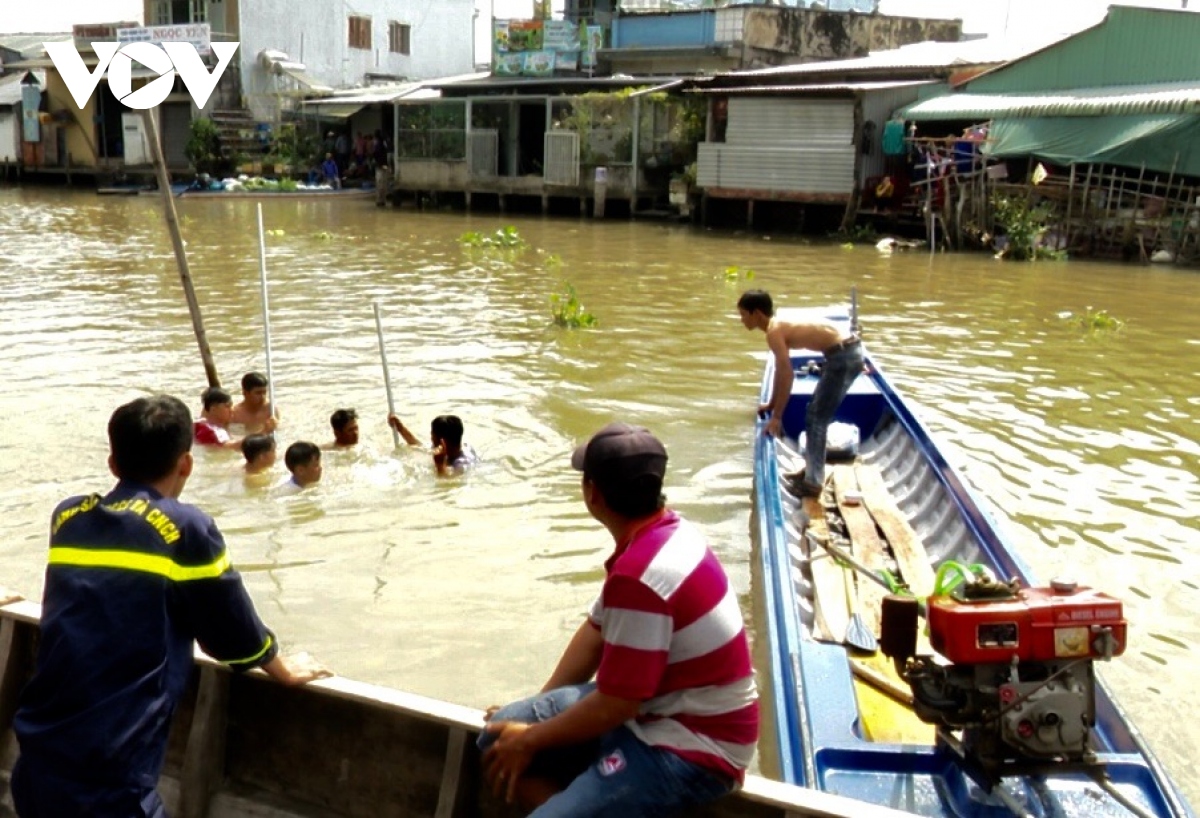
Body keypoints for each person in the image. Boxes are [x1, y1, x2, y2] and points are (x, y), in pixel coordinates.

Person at [10, 395, 330, 817]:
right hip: (110, 770)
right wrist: (275, 662)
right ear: (186, 464)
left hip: (38, 753)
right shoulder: (186, 527)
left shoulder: (68, 518)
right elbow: (229, 630)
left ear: (112, 463)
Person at [479, 422, 759, 817]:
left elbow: (618, 704)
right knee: (497, 737)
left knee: (518, 745)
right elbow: (595, 633)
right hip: (653, 709)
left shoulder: (642, 576)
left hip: (692, 745)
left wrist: (533, 740)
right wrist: (536, 710)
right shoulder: (662, 535)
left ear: (592, 494)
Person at [737, 289, 863, 498]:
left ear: (756, 313)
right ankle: (812, 471)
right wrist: (772, 404)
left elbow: (787, 374)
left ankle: (813, 483)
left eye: (743, 314)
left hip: (843, 355)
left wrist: (777, 417)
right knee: (816, 414)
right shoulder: (777, 327)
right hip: (845, 351)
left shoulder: (773, 332)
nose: (741, 320)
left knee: (816, 417)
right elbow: (780, 370)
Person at [387, 412, 478, 475]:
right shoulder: (452, 448)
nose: (431, 438)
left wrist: (439, 466)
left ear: (442, 442)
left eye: (432, 436)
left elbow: (447, 483)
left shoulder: (463, 464)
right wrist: (400, 428)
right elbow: (418, 446)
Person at [195, 386, 271, 450]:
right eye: (227, 406)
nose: (232, 409)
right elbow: (233, 447)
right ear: (213, 409)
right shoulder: (214, 432)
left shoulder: (199, 424)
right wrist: (264, 432)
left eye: (231, 406)